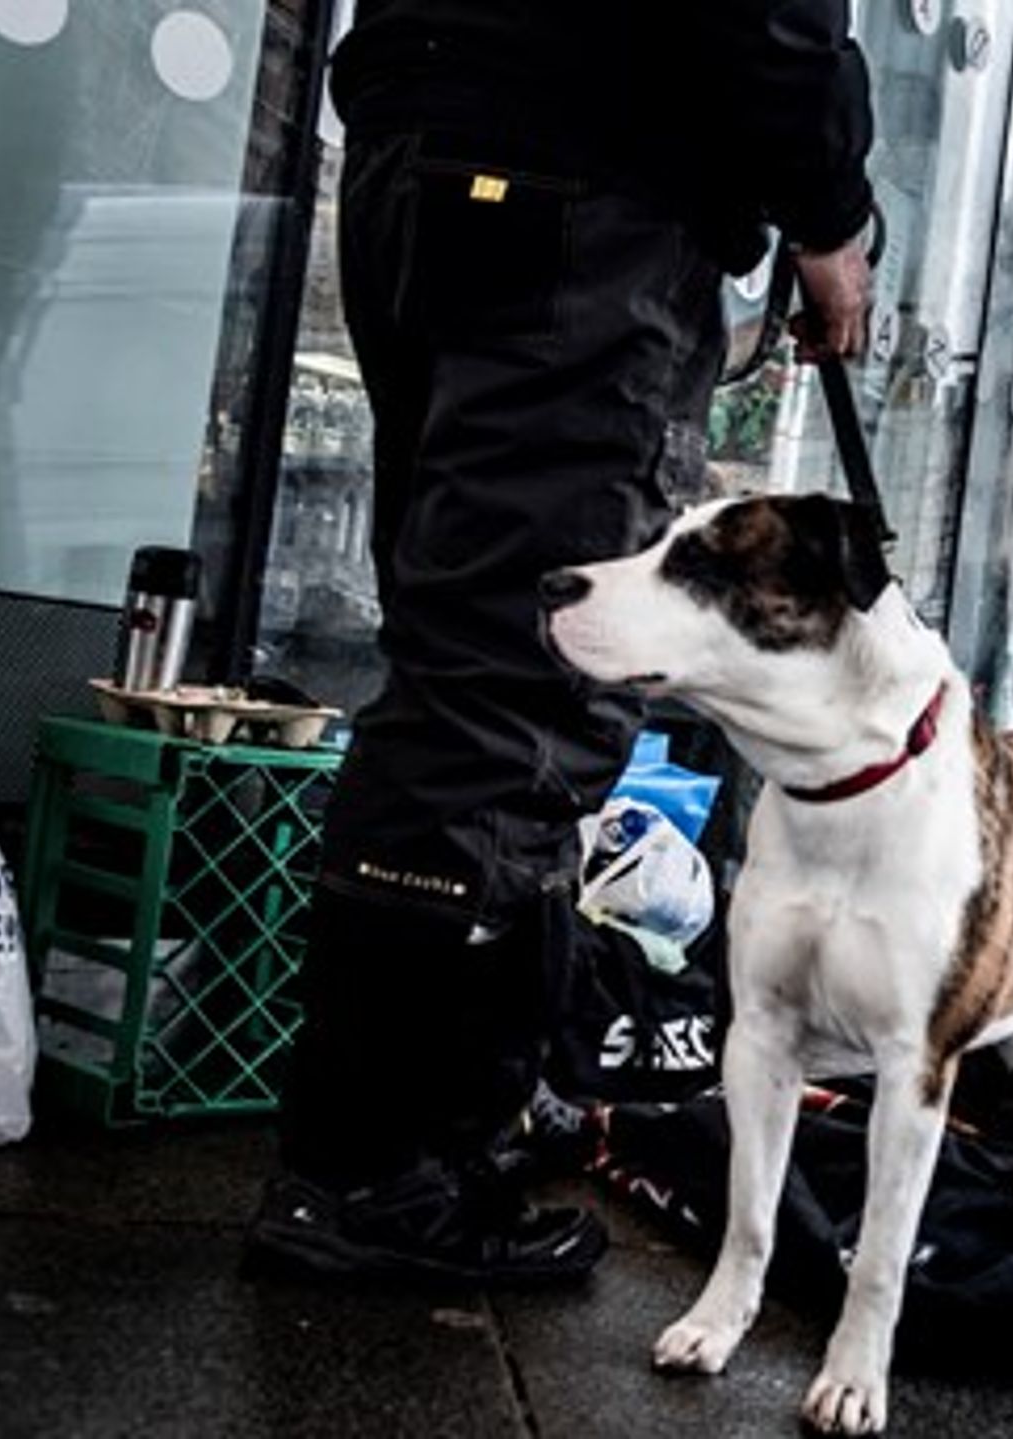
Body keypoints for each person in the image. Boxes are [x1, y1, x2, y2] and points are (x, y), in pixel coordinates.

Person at [245, 3, 877, 1285]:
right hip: (582, 194)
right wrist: (828, 218)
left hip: (427, 155)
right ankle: (374, 1175)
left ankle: (432, 1127)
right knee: (522, 682)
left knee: (461, 654)